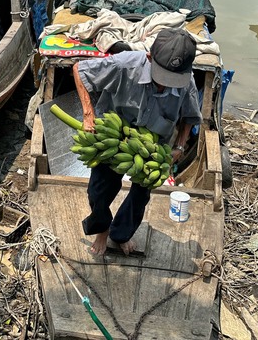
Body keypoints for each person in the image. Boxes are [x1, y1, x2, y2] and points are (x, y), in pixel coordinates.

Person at [72, 27, 202, 256]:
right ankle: (102, 229)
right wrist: (87, 113)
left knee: (140, 196)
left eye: (172, 80)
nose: (164, 86)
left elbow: (190, 117)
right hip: (115, 138)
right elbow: (79, 70)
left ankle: (121, 234)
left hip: (153, 146)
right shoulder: (124, 65)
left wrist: (179, 147)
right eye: (162, 78)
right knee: (98, 192)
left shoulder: (186, 81)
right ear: (149, 58)